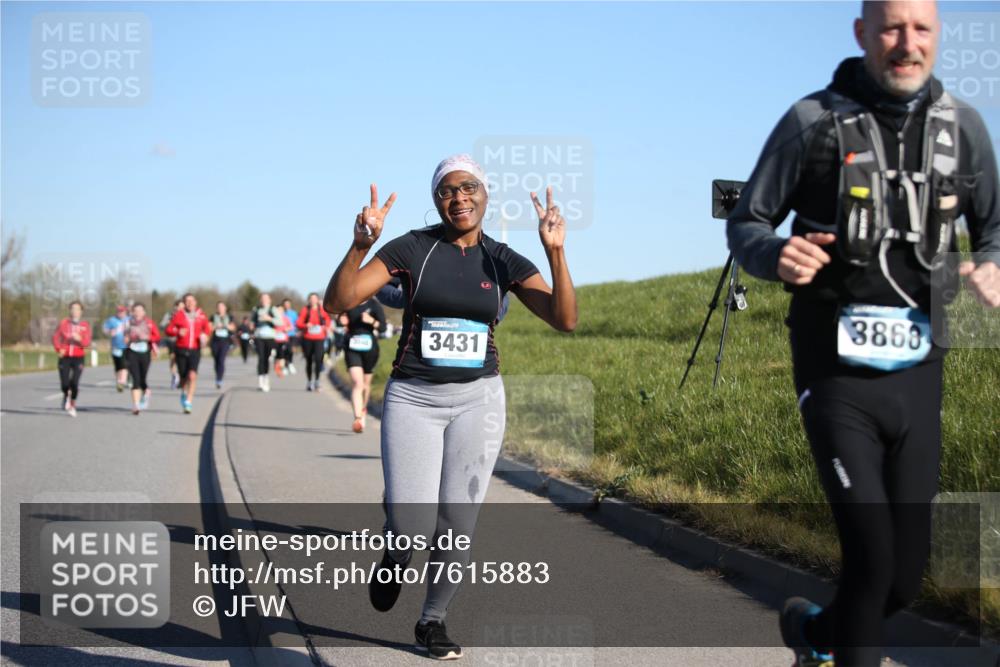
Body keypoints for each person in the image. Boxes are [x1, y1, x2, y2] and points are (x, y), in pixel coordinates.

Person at [726, 2, 1000, 665]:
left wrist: (991, 264)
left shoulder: (963, 127)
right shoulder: (812, 121)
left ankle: (815, 633)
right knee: (873, 558)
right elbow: (748, 222)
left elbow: (994, 229)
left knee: (904, 577)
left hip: (918, 372)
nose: (906, 44)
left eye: (921, 29)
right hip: (834, 371)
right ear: (862, 34)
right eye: (890, 28)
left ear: (937, 37)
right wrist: (774, 255)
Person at [324, 154, 577, 660]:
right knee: (413, 523)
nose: (458, 198)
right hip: (414, 396)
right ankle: (396, 546)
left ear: (484, 194)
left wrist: (555, 253)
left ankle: (432, 620)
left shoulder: (502, 259)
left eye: (468, 188)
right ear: (436, 199)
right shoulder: (413, 248)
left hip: (478, 400)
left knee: (457, 522)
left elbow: (564, 319)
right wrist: (360, 245)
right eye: (447, 191)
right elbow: (340, 301)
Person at [339, 297, 386, 432]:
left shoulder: (375, 305)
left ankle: (363, 409)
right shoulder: (349, 302)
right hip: (352, 346)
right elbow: (340, 318)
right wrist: (341, 321)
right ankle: (358, 418)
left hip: (370, 348)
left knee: (366, 385)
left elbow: (383, 327)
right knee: (357, 383)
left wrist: (371, 321)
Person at [165, 293, 212, 414]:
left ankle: (189, 402)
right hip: (181, 349)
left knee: (192, 375)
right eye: (187, 301)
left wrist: (205, 336)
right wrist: (177, 331)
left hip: (195, 350)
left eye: (192, 301)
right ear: (184, 303)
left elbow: (207, 328)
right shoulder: (179, 315)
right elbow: (168, 330)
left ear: (195, 302)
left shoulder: (201, 315)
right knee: (184, 377)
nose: (190, 303)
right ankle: (184, 392)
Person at [52, 301, 92, 418]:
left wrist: (80, 339)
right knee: (65, 384)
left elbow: (87, 343)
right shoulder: (64, 323)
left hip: (78, 357)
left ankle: (72, 404)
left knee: (74, 382)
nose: (75, 311)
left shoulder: (85, 325)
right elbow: (56, 338)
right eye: (73, 309)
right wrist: (59, 349)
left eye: (77, 309)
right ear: (70, 311)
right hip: (65, 357)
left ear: (81, 311)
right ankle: (66, 395)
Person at [123, 302, 160, 415]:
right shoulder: (128, 323)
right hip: (132, 352)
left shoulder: (149, 323)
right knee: (135, 379)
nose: (138, 313)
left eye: (140, 310)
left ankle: (146, 391)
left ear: (144, 312)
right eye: (136, 310)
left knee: (143, 378)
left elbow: (157, 336)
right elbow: (125, 337)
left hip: (144, 352)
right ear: (132, 312)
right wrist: (128, 338)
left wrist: (147, 337)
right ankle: (136, 405)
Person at [296, 292, 332, 392]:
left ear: (317, 300)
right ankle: (309, 381)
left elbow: (328, 320)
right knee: (309, 361)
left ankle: (317, 381)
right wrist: (306, 325)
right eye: (311, 299)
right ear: (309, 300)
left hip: (319, 338)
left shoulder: (322, 310)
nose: (313, 300)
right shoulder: (305, 310)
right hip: (307, 338)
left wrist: (325, 327)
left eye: (314, 298)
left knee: (318, 360)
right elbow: (299, 323)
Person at [250, 293, 280, 392]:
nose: (264, 300)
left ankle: (266, 377)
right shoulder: (256, 310)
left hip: (270, 337)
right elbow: (252, 322)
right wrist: (252, 326)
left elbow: (280, 322)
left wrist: (269, 318)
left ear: (269, 300)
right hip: (259, 337)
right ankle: (260, 380)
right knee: (261, 357)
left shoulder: (273, 309)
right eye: (262, 299)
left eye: (266, 298)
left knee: (266, 358)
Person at [102, 304, 130, 391]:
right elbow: (104, 329)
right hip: (116, 346)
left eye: (122, 311)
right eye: (119, 311)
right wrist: (109, 332)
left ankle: (122, 381)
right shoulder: (112, 320)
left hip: (127, 346)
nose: (120, 313)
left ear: (125, 312)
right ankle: (119, 381)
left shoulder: (129, 320)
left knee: (125, 365)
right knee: (118, 366)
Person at [209, 301, 236, 389]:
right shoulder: (213, 317)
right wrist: (216, 326)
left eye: (222, 307)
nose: (220, 308)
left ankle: (219, 379)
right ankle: (218, 375)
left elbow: (233, 328)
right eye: (218, 307)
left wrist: (226, 326)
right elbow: (209, 328)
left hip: (225, 341)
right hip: (215, 340)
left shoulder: (229, 317)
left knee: (221, 359)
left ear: (225, 308)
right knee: (216, 360)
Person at [161, 299, 183, 389]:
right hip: (172, 340)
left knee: (182, 361)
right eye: (178, 306)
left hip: (183, 341)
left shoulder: (186, 315)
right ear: (175, 307)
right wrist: (170, 324)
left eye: (182, 306)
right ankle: (175, 376)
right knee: (173, 358)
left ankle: (182, 378)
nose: (180, 308)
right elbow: (162, 325)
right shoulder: (169, 315)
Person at [281, 298, 299, 375]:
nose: (286, 305)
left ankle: (290, 363)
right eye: (285, 304)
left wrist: (296, 330)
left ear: (290, 305)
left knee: (291, 350)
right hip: (284, 335)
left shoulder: (294, 313)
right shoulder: (281, 313)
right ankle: (285, 366)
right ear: (283, 305)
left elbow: (297, 323)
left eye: (288, 304)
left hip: (292, 334)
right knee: (285, 350)